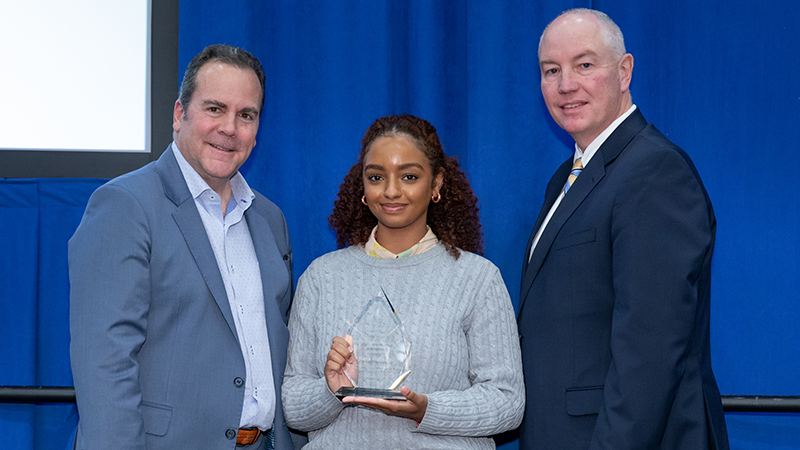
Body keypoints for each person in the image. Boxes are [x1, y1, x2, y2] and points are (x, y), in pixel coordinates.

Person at [69, 44, 303, 449]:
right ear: (180, 115)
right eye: (215, 109)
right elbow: (104, 365)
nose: (230, 128)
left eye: (246, 115)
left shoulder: (270, 219)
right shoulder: (126, 206)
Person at [517, 9, 729, 449]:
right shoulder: (566, 177)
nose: (565, 84)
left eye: (585, 65)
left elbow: (649, 353)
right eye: (551, 70)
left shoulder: (654, 171)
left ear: (625, 71)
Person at [281, 114, 524, 449]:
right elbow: (293, 409)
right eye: (377, 177)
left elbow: (508, 403)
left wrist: (427, 410)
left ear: (436, 183)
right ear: (363, 186)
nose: (391, 191)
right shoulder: (321, 278)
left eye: (409, 176)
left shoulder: (477, 279)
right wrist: (334, 389)